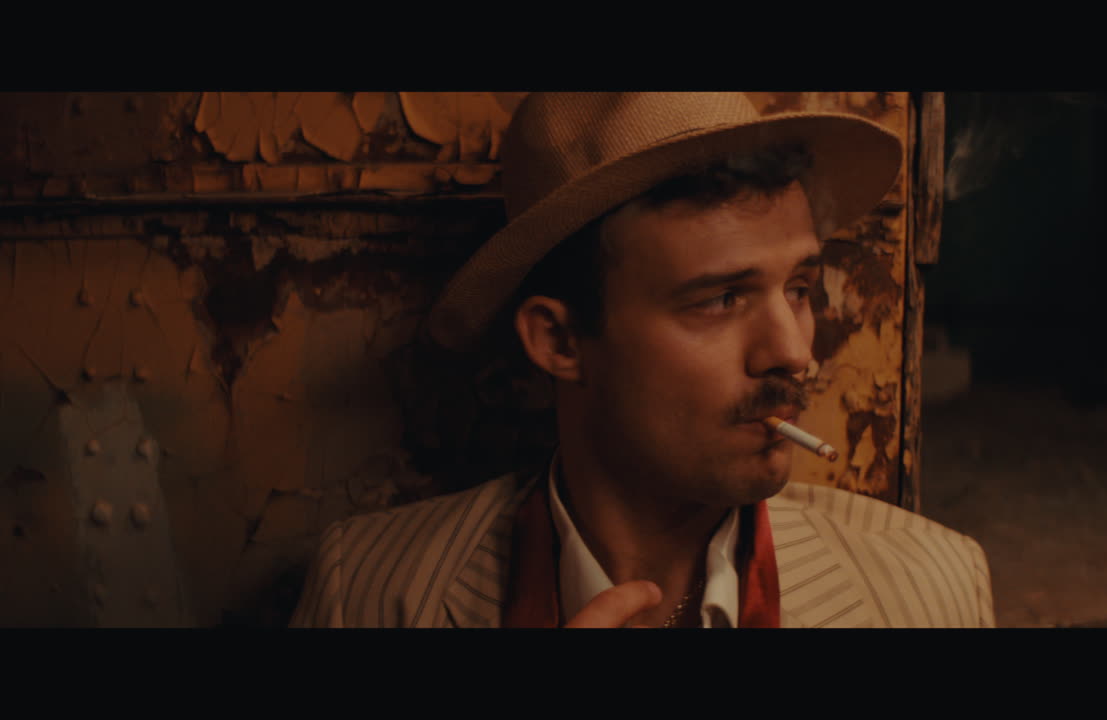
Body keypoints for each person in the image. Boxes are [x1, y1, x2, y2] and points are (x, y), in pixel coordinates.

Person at [290, 92, 995, 628]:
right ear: (560, 342)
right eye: (721, 299)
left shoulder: (928, 589)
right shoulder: (369, 590)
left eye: (801, 289)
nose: (794, 352)